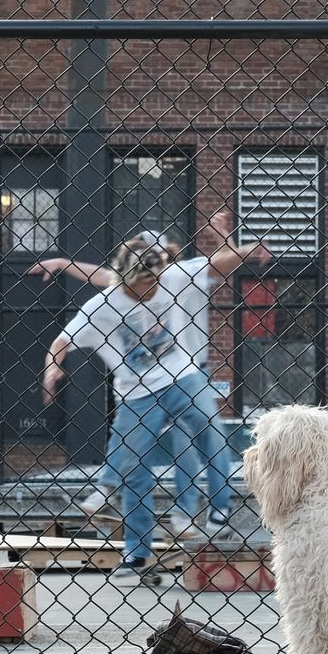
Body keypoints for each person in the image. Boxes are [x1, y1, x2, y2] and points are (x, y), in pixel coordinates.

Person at [41, 224, 265, 579]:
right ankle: (135, 551)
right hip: (136, 392)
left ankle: (214, 510)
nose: (152, 290)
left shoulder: (174, 276)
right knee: (135, 471)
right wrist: (52, 370)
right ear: (128, 280)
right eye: (144, 286)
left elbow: (217, 264)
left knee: (208, 431)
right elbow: (62, 340)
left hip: (183, 374)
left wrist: (247, 248)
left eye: (155, 281)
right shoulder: (106, 301)